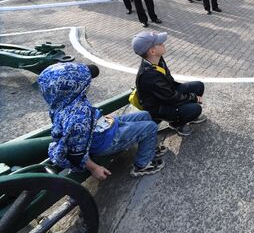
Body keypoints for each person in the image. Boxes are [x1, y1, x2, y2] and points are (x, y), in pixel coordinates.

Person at [37, 62, 166, 178]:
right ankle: (142, 165)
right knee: (150, 127)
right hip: (105, 141)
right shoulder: (77, 117)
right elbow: (76, 152)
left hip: (103, 126)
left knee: (144, 115)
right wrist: (94, 168)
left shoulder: (64, 102)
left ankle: (148, 149)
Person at [132, 31, 207, 136]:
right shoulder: (149, 75)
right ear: (152, 51)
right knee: (195, 108)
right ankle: (177, 124)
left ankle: (186, 115)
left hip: (166, 94)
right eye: (160, 43)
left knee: (198, 86)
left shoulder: (158, 59)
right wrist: (193, 97)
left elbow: (169, 86)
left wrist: (187, 95)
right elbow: (170, 97)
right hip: (158, 107)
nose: (163, 44)